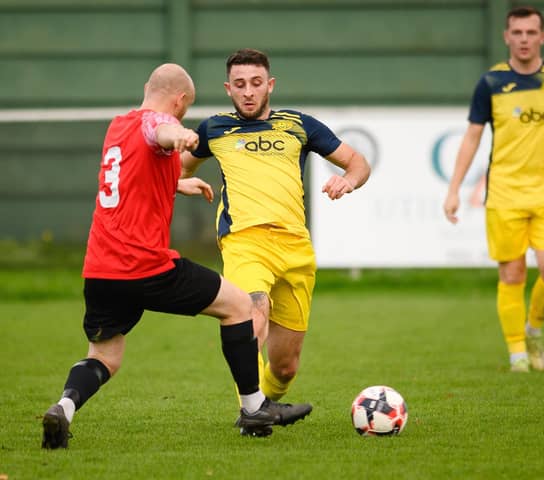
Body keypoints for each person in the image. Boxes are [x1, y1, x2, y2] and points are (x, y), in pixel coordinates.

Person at [41, 63, 312, 449]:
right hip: (145, 265)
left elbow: (131, 178)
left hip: (101, 269)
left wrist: (177, 182)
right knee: (238, 305)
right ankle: (254, 408)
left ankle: (63, 408)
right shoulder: (158, 123)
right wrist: (180, 134)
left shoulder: (118, 126)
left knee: (105, 355)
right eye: (185, 110)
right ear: (180, 101)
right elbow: (160, 131)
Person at [181, 49, 370, 434]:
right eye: (239, 85)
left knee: (285, 366)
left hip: (296, 249)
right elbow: (174, 169)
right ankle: (252, 413)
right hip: (244, 242)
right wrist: (180, 182)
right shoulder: (213, 129)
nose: (248, 92)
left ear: (270, 85)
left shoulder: (299, 125)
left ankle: (262, 402)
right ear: (228, 89)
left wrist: (348, 180)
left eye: (255, 83)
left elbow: (358, 162)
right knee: (253, 311)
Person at [443, 6, 544, 372]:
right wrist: (455, 188)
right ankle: (517, 354)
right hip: (504, 194)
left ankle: (533, 327)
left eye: (531, 32)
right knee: (512, 275)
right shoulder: (490, 83)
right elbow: (472, 137)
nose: (524, 39)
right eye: (517, 32)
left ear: (543, 36)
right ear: (507, 36)